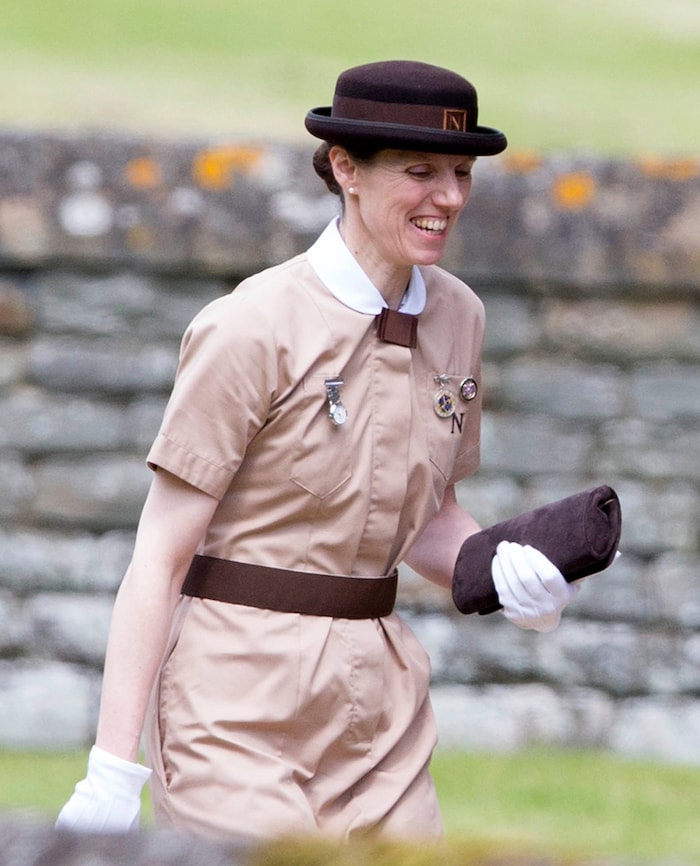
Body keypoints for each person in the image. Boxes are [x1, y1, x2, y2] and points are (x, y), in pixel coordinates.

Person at [56, 59, 581, 843]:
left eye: (462, 173)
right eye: (420, 171)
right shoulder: (249, 327)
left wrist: (501, 572)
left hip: (383, 713)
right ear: (346, 169)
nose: (449, 199)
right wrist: (111, 765)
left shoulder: (460, 318)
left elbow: (428, 517)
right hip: (232, 704)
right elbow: (160, 555)